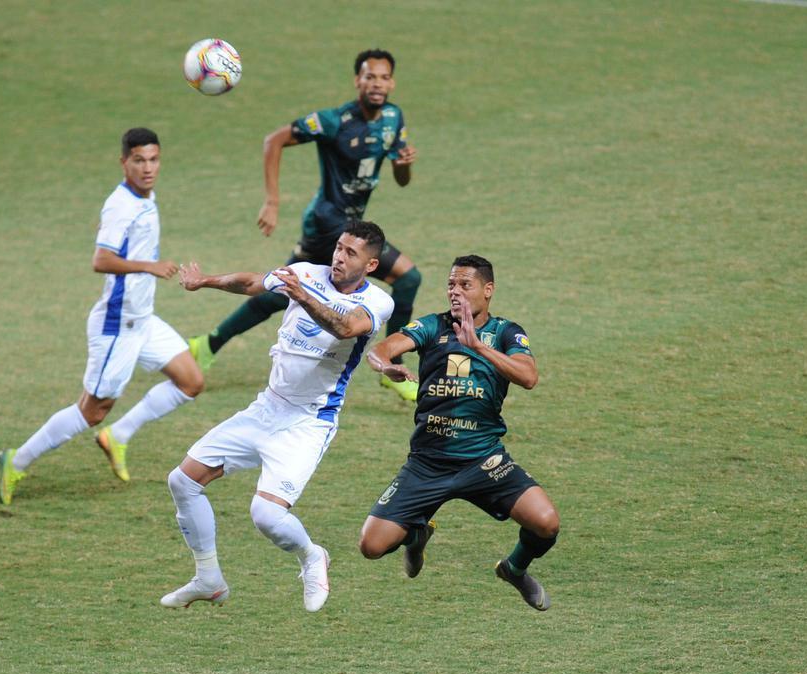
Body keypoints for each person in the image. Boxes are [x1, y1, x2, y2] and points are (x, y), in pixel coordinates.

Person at [163, 220, 395, 612]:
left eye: (351, 253)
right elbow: (253, 283)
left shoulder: (377, 302)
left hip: (308, 422)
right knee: (183, 481)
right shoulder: (305, 272)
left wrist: (302, 296)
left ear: (370, 266)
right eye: (339, 247)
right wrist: (205, 282)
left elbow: (345, 328)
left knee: (266, 516)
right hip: (265, 408)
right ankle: (208, 578)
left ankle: (312, 556)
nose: (338, 257)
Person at [187, 48, 422, 402]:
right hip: (329, 226)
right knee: (408, 277)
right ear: (357, 80)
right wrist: (272, 200)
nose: (377, 83)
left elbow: (402, 179)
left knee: (282, 290)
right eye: (369, 76)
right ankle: (393, 362)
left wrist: (403, 163)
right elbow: (274, 140)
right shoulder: (333, 121)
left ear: (392, 81)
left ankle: (207, 344)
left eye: (384, 77)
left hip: (349, 229)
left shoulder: (392, 117)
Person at [0, 128, 204, 503]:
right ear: (123, 162)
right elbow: (100, 260)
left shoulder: (143, 197)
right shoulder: (121, 205)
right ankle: (17, 460)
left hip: (143, 319)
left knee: (190, 381)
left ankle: (118, 436)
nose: (148, 168)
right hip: (117, 325)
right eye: (138, 160)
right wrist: (149, 266)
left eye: (153, 159)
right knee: (92, 411)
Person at [358, 255, 561, 610]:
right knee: (371, 547)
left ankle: (514, 569)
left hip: (482, 460)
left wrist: (478, 346)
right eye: (451, 284)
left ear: (488, 290)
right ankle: (416, 534)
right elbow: (381, 349)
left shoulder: (505, 333)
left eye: (465, 285)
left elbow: (528, 377)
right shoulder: (432, 327)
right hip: (427, 463)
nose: (455, 292)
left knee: (546, 524)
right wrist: (386, 366)